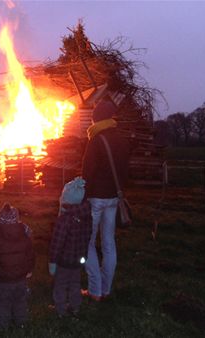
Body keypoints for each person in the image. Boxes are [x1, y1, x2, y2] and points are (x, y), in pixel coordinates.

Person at [81, 99, 130, 301]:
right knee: (109, 243)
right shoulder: (121, 140)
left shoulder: (96, 141)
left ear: (97, 118)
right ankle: (106, 288)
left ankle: (95, 290)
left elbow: (87, 174)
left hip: (95, 200)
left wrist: (82, 197)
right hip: (113, 199)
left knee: (87, 243)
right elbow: (126, 171)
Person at [48, 177, 92, 317]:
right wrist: (83, 257)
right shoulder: (86, 218)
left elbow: (57, 243)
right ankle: (76, 307)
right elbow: (86, 238)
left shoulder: (64, 220)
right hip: (78, 260)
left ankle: (60, 309)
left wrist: (53, 262)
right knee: (75, 284)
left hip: (63, 262)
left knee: (60, 285)